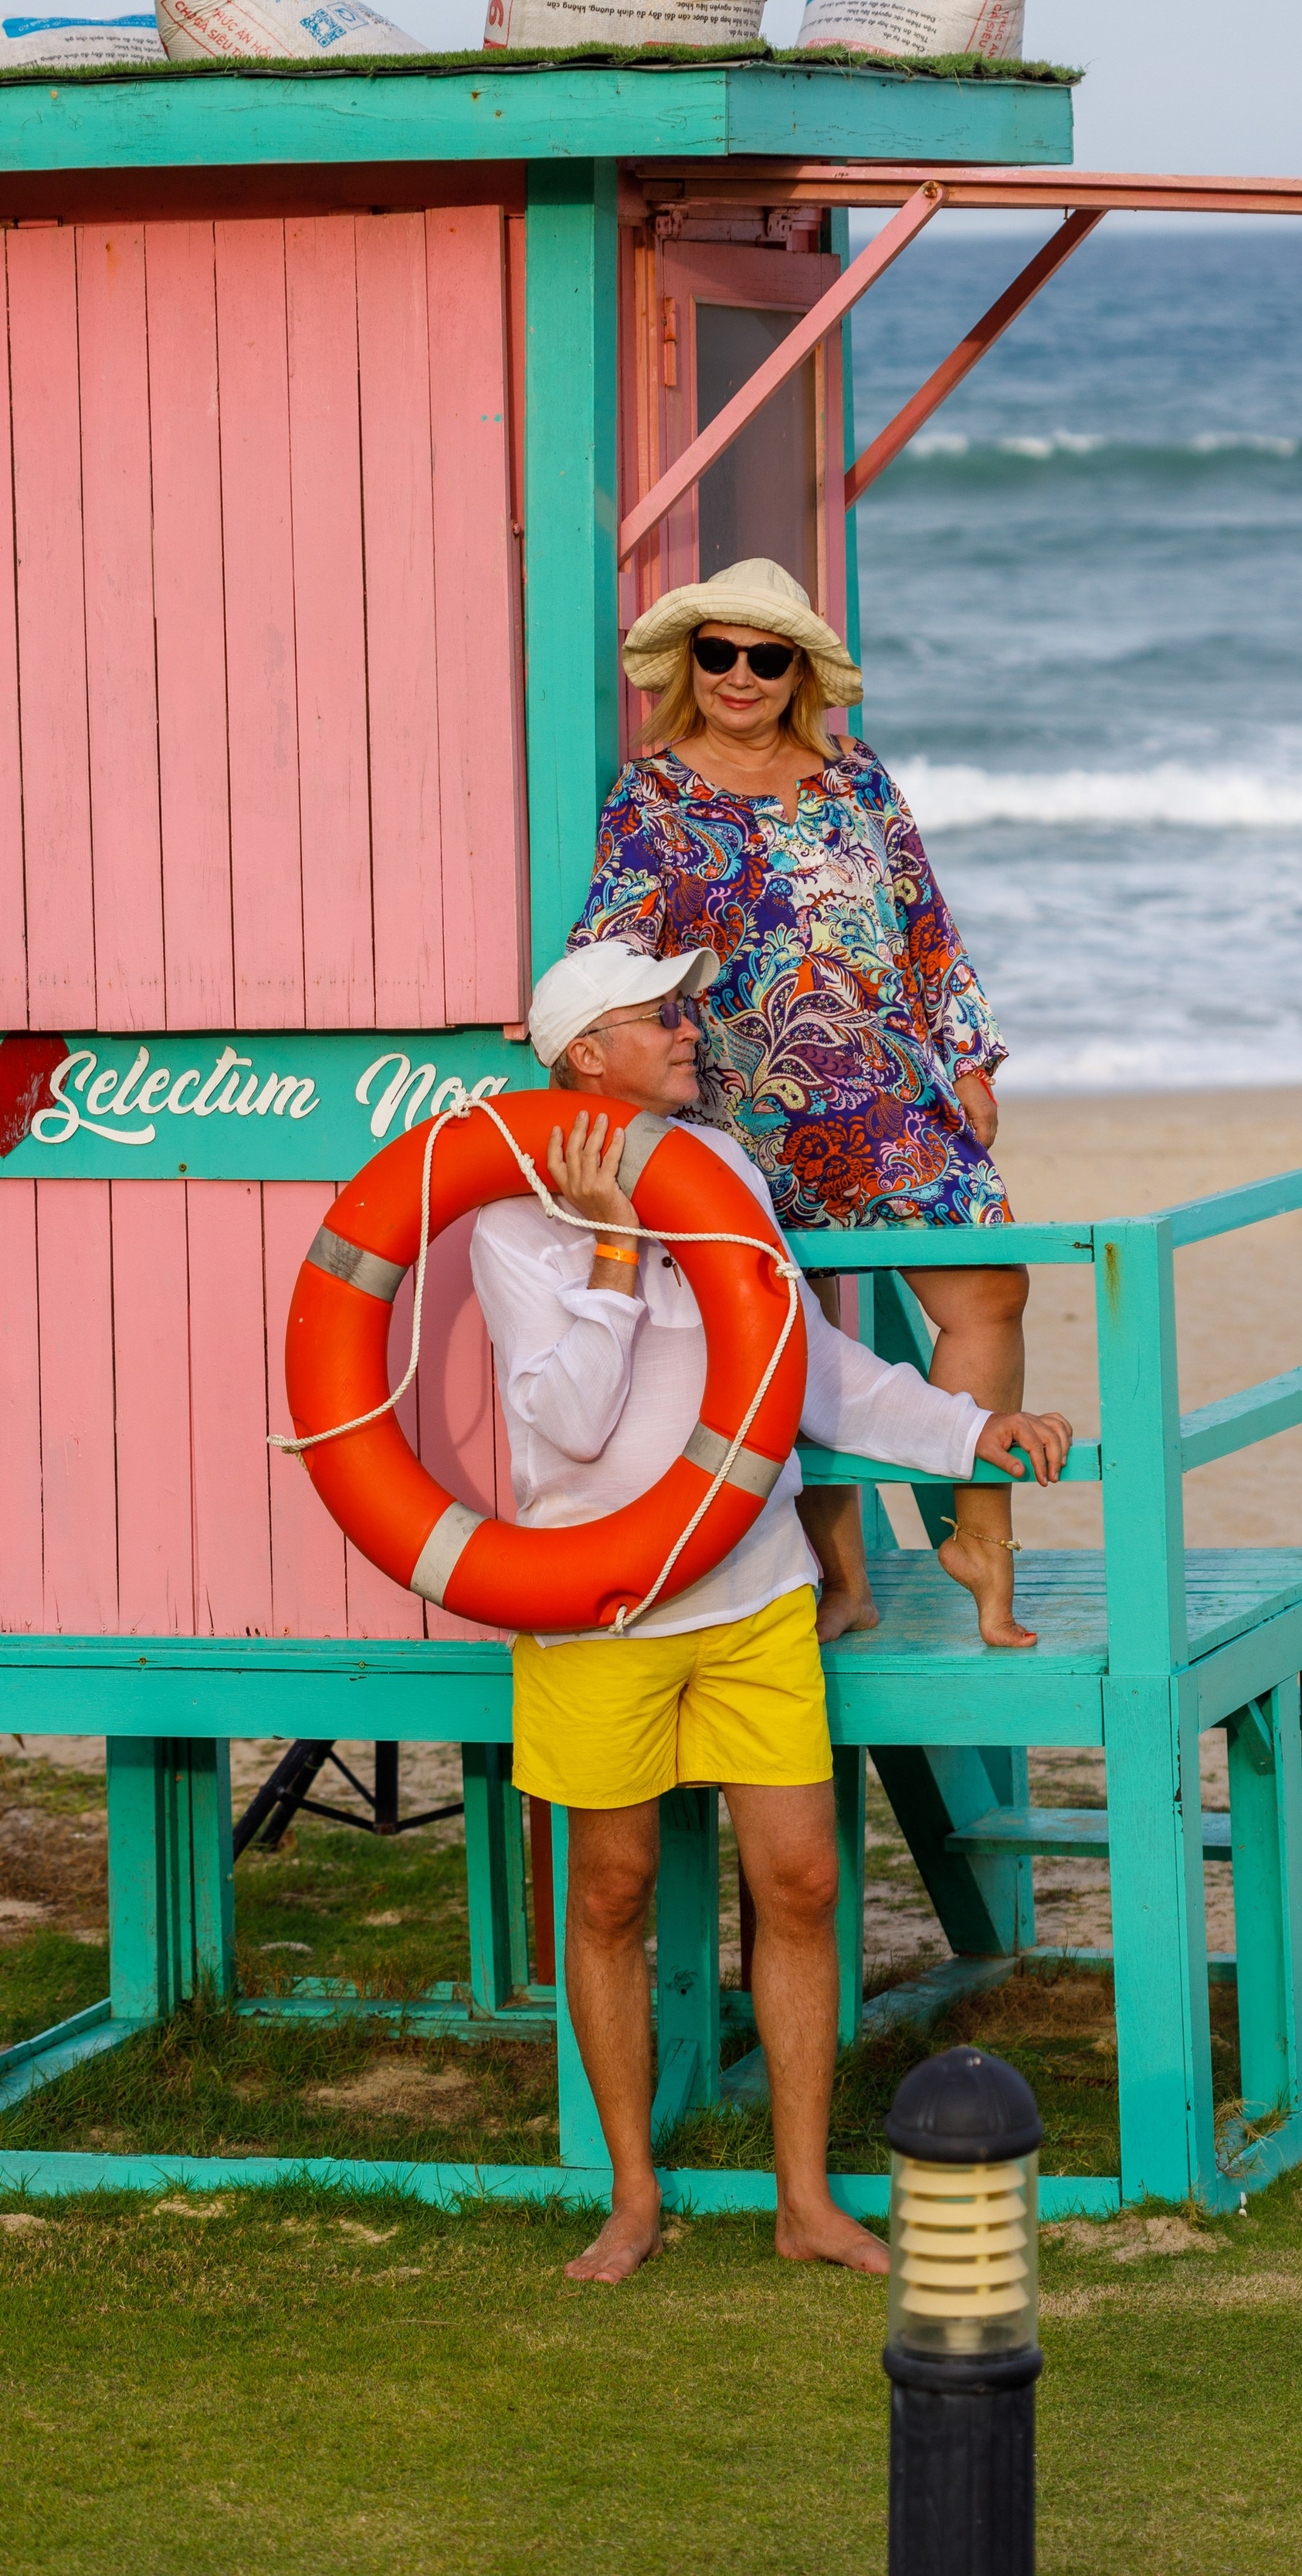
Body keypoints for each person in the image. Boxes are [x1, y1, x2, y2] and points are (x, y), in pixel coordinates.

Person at [471, 938, 1071, 2286]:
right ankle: (633, 2197)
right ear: (583, 1054)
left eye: (685, 1007)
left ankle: (805, 2201)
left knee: (800, 1882)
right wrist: (622, 1264)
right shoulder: (513, 1223)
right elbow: (564, 1428)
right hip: (598, 1606)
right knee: (612, 1890)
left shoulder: (730, 1172)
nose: (692, 1029)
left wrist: (977, 1429)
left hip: (752, 1592)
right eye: (659, 1016)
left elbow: (815, 1370)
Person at [574, 555, 1041, 1648]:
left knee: (990, 1297)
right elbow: (612, 955)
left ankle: (977, 1535)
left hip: (895, 1102)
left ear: (799, 673)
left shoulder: (857, 778)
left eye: (766, 656)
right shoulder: (649, 796)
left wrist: (967, 1056)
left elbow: (925, 922)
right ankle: (841, 1578)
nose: (741, 675)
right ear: (692, 664)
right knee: (801, 1336)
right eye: (719, 652)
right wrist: (615, 1078)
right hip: (741, 1109)